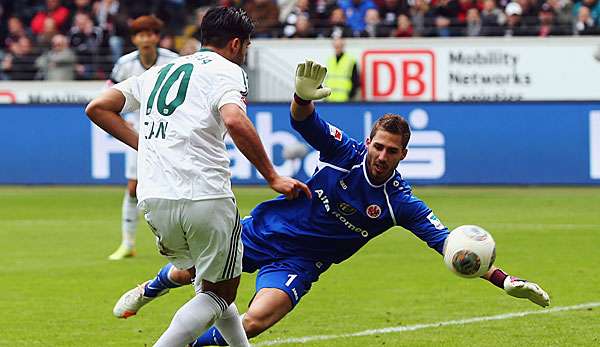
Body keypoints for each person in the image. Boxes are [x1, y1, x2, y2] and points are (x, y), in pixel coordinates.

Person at [111, 60, 551, 346]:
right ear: (371, 141)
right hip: (265, 231)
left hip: (302, 263)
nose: (381, 155)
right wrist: (301, 96)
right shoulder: (346, 153)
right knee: (190, 272)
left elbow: (448, 243)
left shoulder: (401, 203)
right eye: (378, 145)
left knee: (255, 320)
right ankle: (150, 289)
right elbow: (305, 122)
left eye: (391, 151)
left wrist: (504, 279)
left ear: (403, 155)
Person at [86, 7, 310, 347]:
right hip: (204, 195)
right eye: (246, 47)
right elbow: (234, 119)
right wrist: (272, 176)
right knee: (220, 293)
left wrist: (144, 146)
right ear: (236, 44)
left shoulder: (163, 70)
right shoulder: (227, 71)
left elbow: (98, 106)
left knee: (211, 286)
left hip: (155, 198)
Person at [106, 15, 179, 261]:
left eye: (150, 34)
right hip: (137, 134)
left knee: (173, 185)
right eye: (141, 34)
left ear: (157, 37)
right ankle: (127, 242)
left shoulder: (174, 61)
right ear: (134, 39)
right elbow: (109, 95)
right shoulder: (124, 64)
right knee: (133, 187)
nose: (146, 39)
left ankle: (177, 242)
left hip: (168, 132)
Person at [324, 37, 359, 102]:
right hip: (330, 99)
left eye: (339, 46)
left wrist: (350, 96)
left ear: (343, 46)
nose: (337, 48)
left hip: (344, 99)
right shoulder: (330, 60)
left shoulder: (351, 60)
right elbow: (328, 79)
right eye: (336, 46)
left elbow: (355, 81)